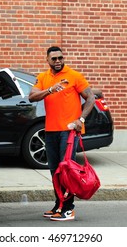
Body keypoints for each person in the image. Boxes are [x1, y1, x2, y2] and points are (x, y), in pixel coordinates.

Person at [28, 46, 96, 221]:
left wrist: (80, 120)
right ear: (48, 60)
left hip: (69, 131)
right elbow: (32, 96)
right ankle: (59, 204)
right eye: (54, 59)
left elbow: (90, 97)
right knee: (54, 171)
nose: (58, 61)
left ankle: (68, 208)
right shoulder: (43, 77)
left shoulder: (74, 76)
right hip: (50, 131)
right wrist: (50, 90)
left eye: (60, 58)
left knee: (66, 170)